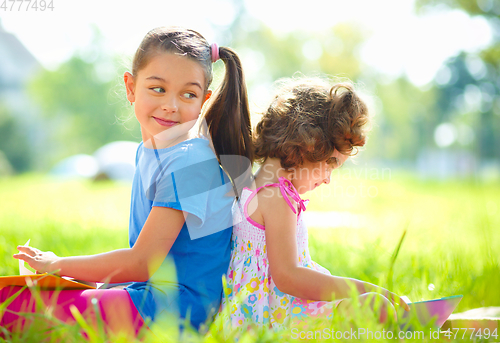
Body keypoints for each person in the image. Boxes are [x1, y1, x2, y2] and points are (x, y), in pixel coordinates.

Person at [0, 26, 253, 336]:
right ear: (131, 87)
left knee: (10, 305)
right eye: (158, 89)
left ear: (204, 100)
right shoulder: (149, 151)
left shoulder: (190, 162)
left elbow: (142, 262)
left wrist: (58, 264)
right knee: (27, 297)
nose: (171, 105)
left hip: (177, 311)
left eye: (188, 94)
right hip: (149, 293)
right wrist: (92, 282)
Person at [219, 77, 410, 330]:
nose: (328, 179)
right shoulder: (277, 197)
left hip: (263, 308)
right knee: (374, 305)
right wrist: (364, 289)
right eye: (331, 163)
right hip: (275, 316)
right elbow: (288, 277)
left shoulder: (252, 186)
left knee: (375, 306)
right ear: (308, 144)